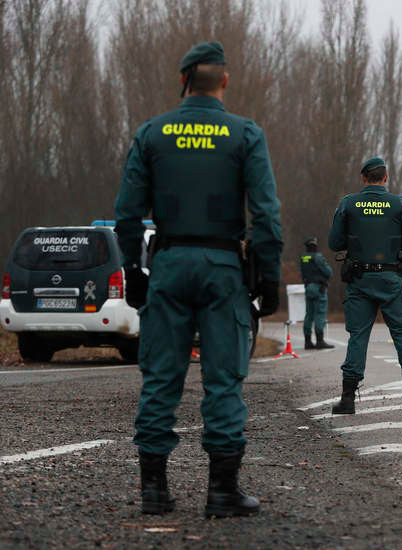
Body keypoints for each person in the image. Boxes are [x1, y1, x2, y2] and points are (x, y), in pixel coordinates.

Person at [114, 41, 282, 518]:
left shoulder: (152, 134)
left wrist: (133, 270)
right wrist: (268, 278)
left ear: (182, 79)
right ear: (224, 81)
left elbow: (127, 213)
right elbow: (266, 215)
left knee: (161, 377)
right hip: (223, 267)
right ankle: (222, 492)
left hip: (168, 265)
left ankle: (154, 491)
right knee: (223, 378)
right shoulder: (245, 134)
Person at [327, 157, 402, 414]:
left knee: (358, 337)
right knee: (401, 335)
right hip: (390, 279)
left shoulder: (348, 204)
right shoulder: (400, 204)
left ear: (363, 178)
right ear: (386, 178)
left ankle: (348, 400)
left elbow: (334, 243)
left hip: (360, 280)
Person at [299, 236, 334, 349]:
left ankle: (307, 341)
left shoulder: (303, 257)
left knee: (309, 314)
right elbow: (328, 272)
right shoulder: (318, 257)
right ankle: (320, 341)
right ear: (315, 245)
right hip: (319, 288)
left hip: (308, 286)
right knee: (319, 314)